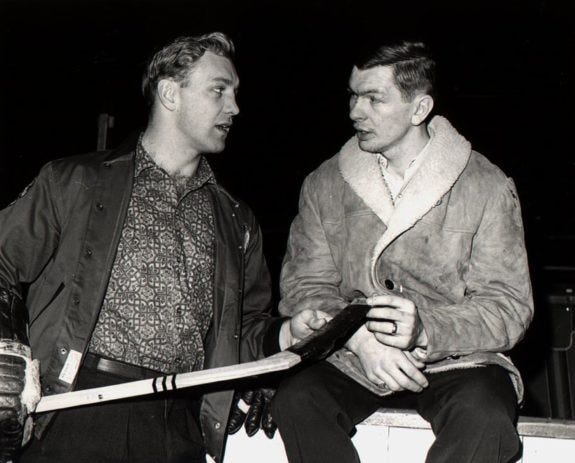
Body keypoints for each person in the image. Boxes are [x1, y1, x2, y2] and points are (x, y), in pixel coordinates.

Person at [0, 32, 327, 463]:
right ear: (170, 93)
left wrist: (286, 336)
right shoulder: (74, 181)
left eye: (235, 93)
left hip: (181, 423)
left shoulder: (236, 220)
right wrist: (8, 348)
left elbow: (244, 327)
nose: (234, 107)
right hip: (77, 409)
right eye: (219, 90)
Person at [271, 40, 533, 463]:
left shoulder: (486, 184)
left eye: (374, 98)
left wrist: (425, 329)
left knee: (484, 415)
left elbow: (508, 308)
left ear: (419, 109)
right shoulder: (324, 183)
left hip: (456, 359)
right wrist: (356, 337)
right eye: (354, 95)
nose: (356, 111)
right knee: (298, 400)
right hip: (356, 357)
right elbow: (305, 285)